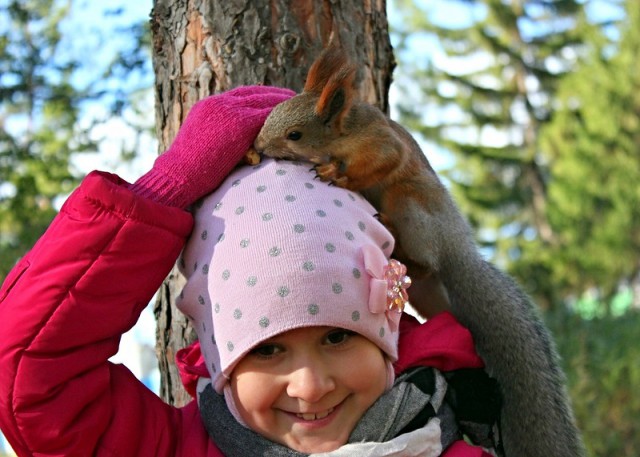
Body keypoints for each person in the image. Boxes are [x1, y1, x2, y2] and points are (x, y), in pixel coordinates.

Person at [0, 86, 500, 456]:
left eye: (337, 338)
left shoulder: (452, 439)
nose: (309, 386)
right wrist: (165, 191)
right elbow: (32, 379)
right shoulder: (175, 450)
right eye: (267, 348)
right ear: (221, 363)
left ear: (386, 333)